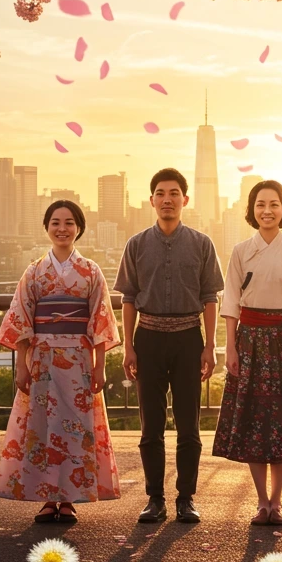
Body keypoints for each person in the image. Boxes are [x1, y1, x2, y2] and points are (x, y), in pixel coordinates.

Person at [0, 201, 121, 522]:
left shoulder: (91, 271)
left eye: (68, 222)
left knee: (76, 428)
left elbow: (100, 320)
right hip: (42, 356)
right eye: (55, 223)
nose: (62, 228)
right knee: (42, 427)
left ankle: (70, 498)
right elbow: (22, 318)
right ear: (46, 227)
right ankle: (47, 497)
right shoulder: (34, 271)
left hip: (79, 357)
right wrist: (22, 364)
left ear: (78, 227)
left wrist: (100, 365)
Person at [115, 167, 224, 524]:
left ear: (185, 200)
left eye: (174, 193)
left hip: (188, 337)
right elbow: (128, 298)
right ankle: (155, 498)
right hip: (147, 337)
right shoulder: (136, 244)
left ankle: (186, 498)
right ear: (151, 200)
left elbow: (210, 297)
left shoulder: (201, 243)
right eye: (161, 193)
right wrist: (129, 347)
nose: (167, 199)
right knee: (151, 425)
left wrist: (209, 347)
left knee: (189, 424)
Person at [213, 179, 282, 525]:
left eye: (273, 204)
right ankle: (261, 501)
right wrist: (231, 348)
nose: (267, 211)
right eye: (260, 205)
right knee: (253, 419)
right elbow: (230, 303)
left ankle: (277, 500)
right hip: (250, 340)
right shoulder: (241, 251)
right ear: (251, 210)